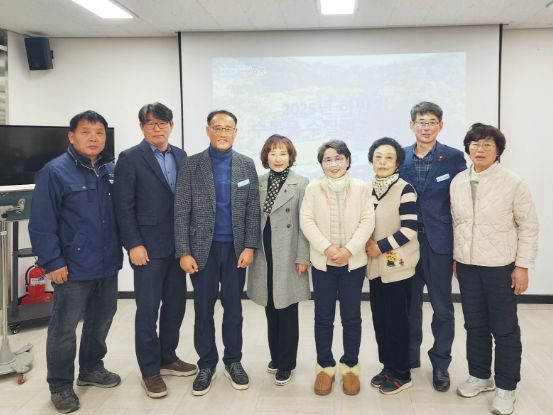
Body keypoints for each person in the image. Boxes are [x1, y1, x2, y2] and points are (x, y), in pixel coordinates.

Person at [29, 110, 123, 414]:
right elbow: (41, 224)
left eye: (99, 133)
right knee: (64, 328)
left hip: (107, 263)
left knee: (101, 320)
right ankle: (60, 385)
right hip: (71, 267)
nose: (93, 138)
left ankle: (91, 368)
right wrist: (53, 262)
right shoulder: (54, 172)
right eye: (86, 132)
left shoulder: (110, 170)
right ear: (71, 136)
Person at [451, 123, 538, 415]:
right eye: (475, 144)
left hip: (501, 267)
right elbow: (457, 223)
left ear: (498, 150)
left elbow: (528, 226)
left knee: (504, 329)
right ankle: (480, 376)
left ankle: (506, 387)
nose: (480, 149)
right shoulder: (458, 181)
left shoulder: (513, 182)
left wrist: (522, 266)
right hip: (467, 267)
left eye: (488, 144)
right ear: (467, 148)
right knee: (474, 325)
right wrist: (456, 257)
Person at [113, 102, 197, 399]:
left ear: (171, 126)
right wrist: (133, 244)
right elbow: (123, 206)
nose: (157, 128)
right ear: (142, 127)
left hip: (178, 247)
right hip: (147, 248)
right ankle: (149, 370)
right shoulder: (130, 158)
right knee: (148, 310)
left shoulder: (181, 156)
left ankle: (168, 357)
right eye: (151, 123)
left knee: (175, 306)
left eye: (163, 123)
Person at [174, 110, 260, 396]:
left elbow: (252, 210)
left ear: (235, 132)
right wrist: (183, 251)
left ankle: (233, 361)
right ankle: (206, 364)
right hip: (202, 251)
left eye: (228, 128)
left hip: (236, 250)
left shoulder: (246, 165)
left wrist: (250, 246)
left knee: (234, 309)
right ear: (208, 130)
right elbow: (181, 211)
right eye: (218, 128)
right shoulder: (191, 164)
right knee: (203, 309)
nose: (223, 133)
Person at [399, 101, 466, 391]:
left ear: (440, 125)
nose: (426, 127)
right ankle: (409, 355)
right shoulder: (399, 155)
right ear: (412, 125)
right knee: (408, 305)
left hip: (439, 243)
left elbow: (461, 203)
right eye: (421, 122)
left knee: (442, 308)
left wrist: (459, 249)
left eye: (431, 122)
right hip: (405, 243)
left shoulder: (453, 157)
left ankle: (440, 363)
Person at [300, 140, 375, 396]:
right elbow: (306, 220)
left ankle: (350, 366)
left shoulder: (361, 187)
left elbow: (367, 220)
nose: (334, 164)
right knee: (323, 317)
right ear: (322, 164)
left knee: (351, 317)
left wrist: (349, 250)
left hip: (353, 264)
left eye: (339, 158)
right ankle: (325, 366)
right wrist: (328, 248)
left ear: (348, 161)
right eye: (328, 160)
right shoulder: (313, 188)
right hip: (323, 264)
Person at [247, 134, 310, 386]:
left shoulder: (301, 183)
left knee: (287, 309)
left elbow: (304, 224)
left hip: (289, 253)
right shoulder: (258, 182)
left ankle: (287, 363)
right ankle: (275, 357)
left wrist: (303, 256)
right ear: (266, 156)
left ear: (290, 156)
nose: (278, 158)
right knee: (270, 307)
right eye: (273, 153)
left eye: (283, 153)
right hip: (264, 252)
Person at [365, 137, 419, 395]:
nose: (383, 162)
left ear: (397, 163)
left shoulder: (404, 189)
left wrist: (380, 246)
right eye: (378, 157)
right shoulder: (367, 189)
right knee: (381, 321)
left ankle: (402, 373)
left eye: (389, 157)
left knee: (398, 323)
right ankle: (388, 367)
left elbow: (409, 228)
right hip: (375, 267)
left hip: (397, 266)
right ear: (371, 161)